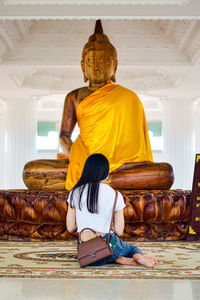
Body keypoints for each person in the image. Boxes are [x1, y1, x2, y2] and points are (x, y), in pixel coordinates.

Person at [66, 153, 158, 268]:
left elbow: (70, 228)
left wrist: (84, 220)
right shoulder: (115, 195)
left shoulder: (74, 193)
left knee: (98, 253)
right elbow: (119, 231)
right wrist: (108, 224)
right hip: (108, 245)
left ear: (86, 170)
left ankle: (114, 258)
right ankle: (124, 257)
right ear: (106, 173)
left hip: (85, 253)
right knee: (131, 249)